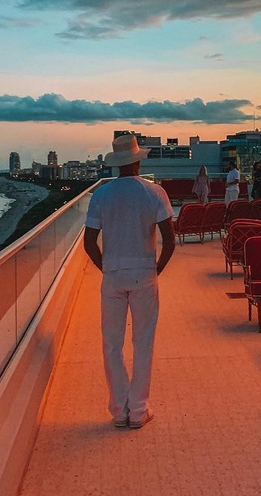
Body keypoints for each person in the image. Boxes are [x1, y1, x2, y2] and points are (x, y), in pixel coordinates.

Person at [84, 134, 176, 430]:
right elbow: (170, 241)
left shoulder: (101, 195)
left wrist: (106, 268)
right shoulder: (155, 193)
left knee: (111, 344)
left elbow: (89, 243)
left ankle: (118, 410)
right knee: (143, 342)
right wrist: (156, 268)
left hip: (113, 274)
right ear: (138, 160)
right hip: (144, 273)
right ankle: (138, 410)